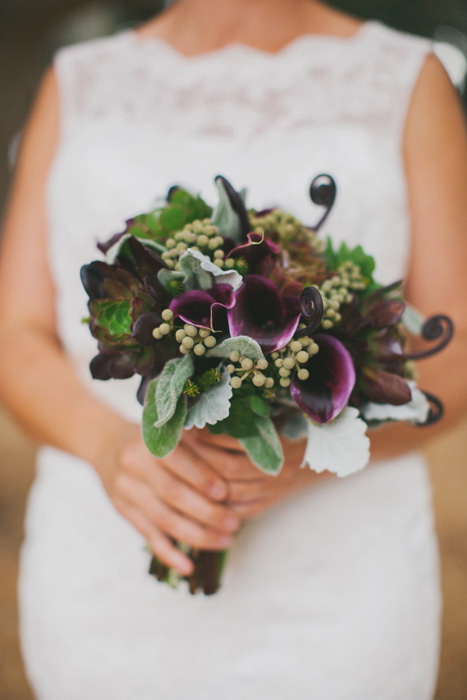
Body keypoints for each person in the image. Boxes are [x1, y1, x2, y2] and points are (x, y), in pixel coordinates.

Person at [0, 0, 466, 697]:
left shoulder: (406, 76)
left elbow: (452, 353)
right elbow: (16, 334)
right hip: (106, 576)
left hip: (334, 595)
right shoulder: (78, 78)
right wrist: (111, 449)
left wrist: (297, 458)